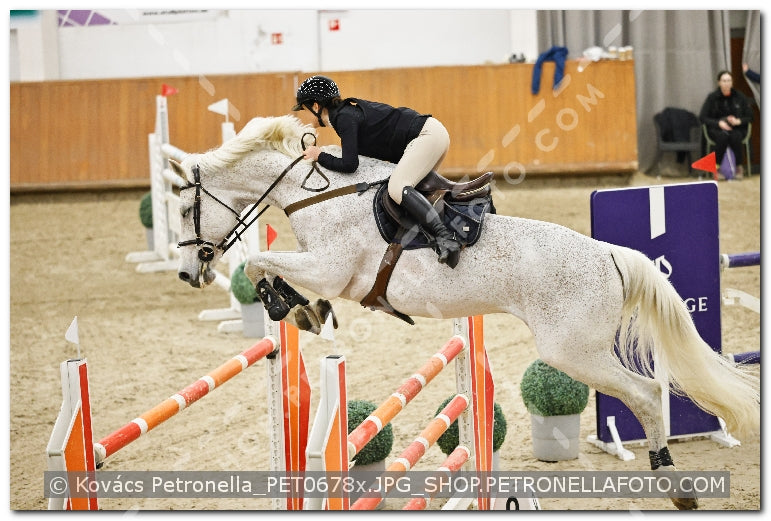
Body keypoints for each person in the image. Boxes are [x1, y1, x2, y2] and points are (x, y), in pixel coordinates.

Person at [292, 75, 460, 268]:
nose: (306, 116)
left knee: (397, 188)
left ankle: (447, 239)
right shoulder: (346, 114)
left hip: (427, 136)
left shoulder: (344, 118)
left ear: (315, 106)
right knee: (412, 194)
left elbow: (349, 165)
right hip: (430, 133)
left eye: (305, 110)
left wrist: (319, 155)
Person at [699, 70, 753, 179]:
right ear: (719, 82)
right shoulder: (712, 97)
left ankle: (738, 168)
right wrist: (719, 123)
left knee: (735, 136)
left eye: (729, 80)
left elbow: (750, 117)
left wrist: (738, 121)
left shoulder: (740, 96)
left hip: (736, 128)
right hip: (717, 129)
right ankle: (717, 168)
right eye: (724, 81)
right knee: (722, 136)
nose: (726, 83)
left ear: (732, 82)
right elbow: (702, 117)